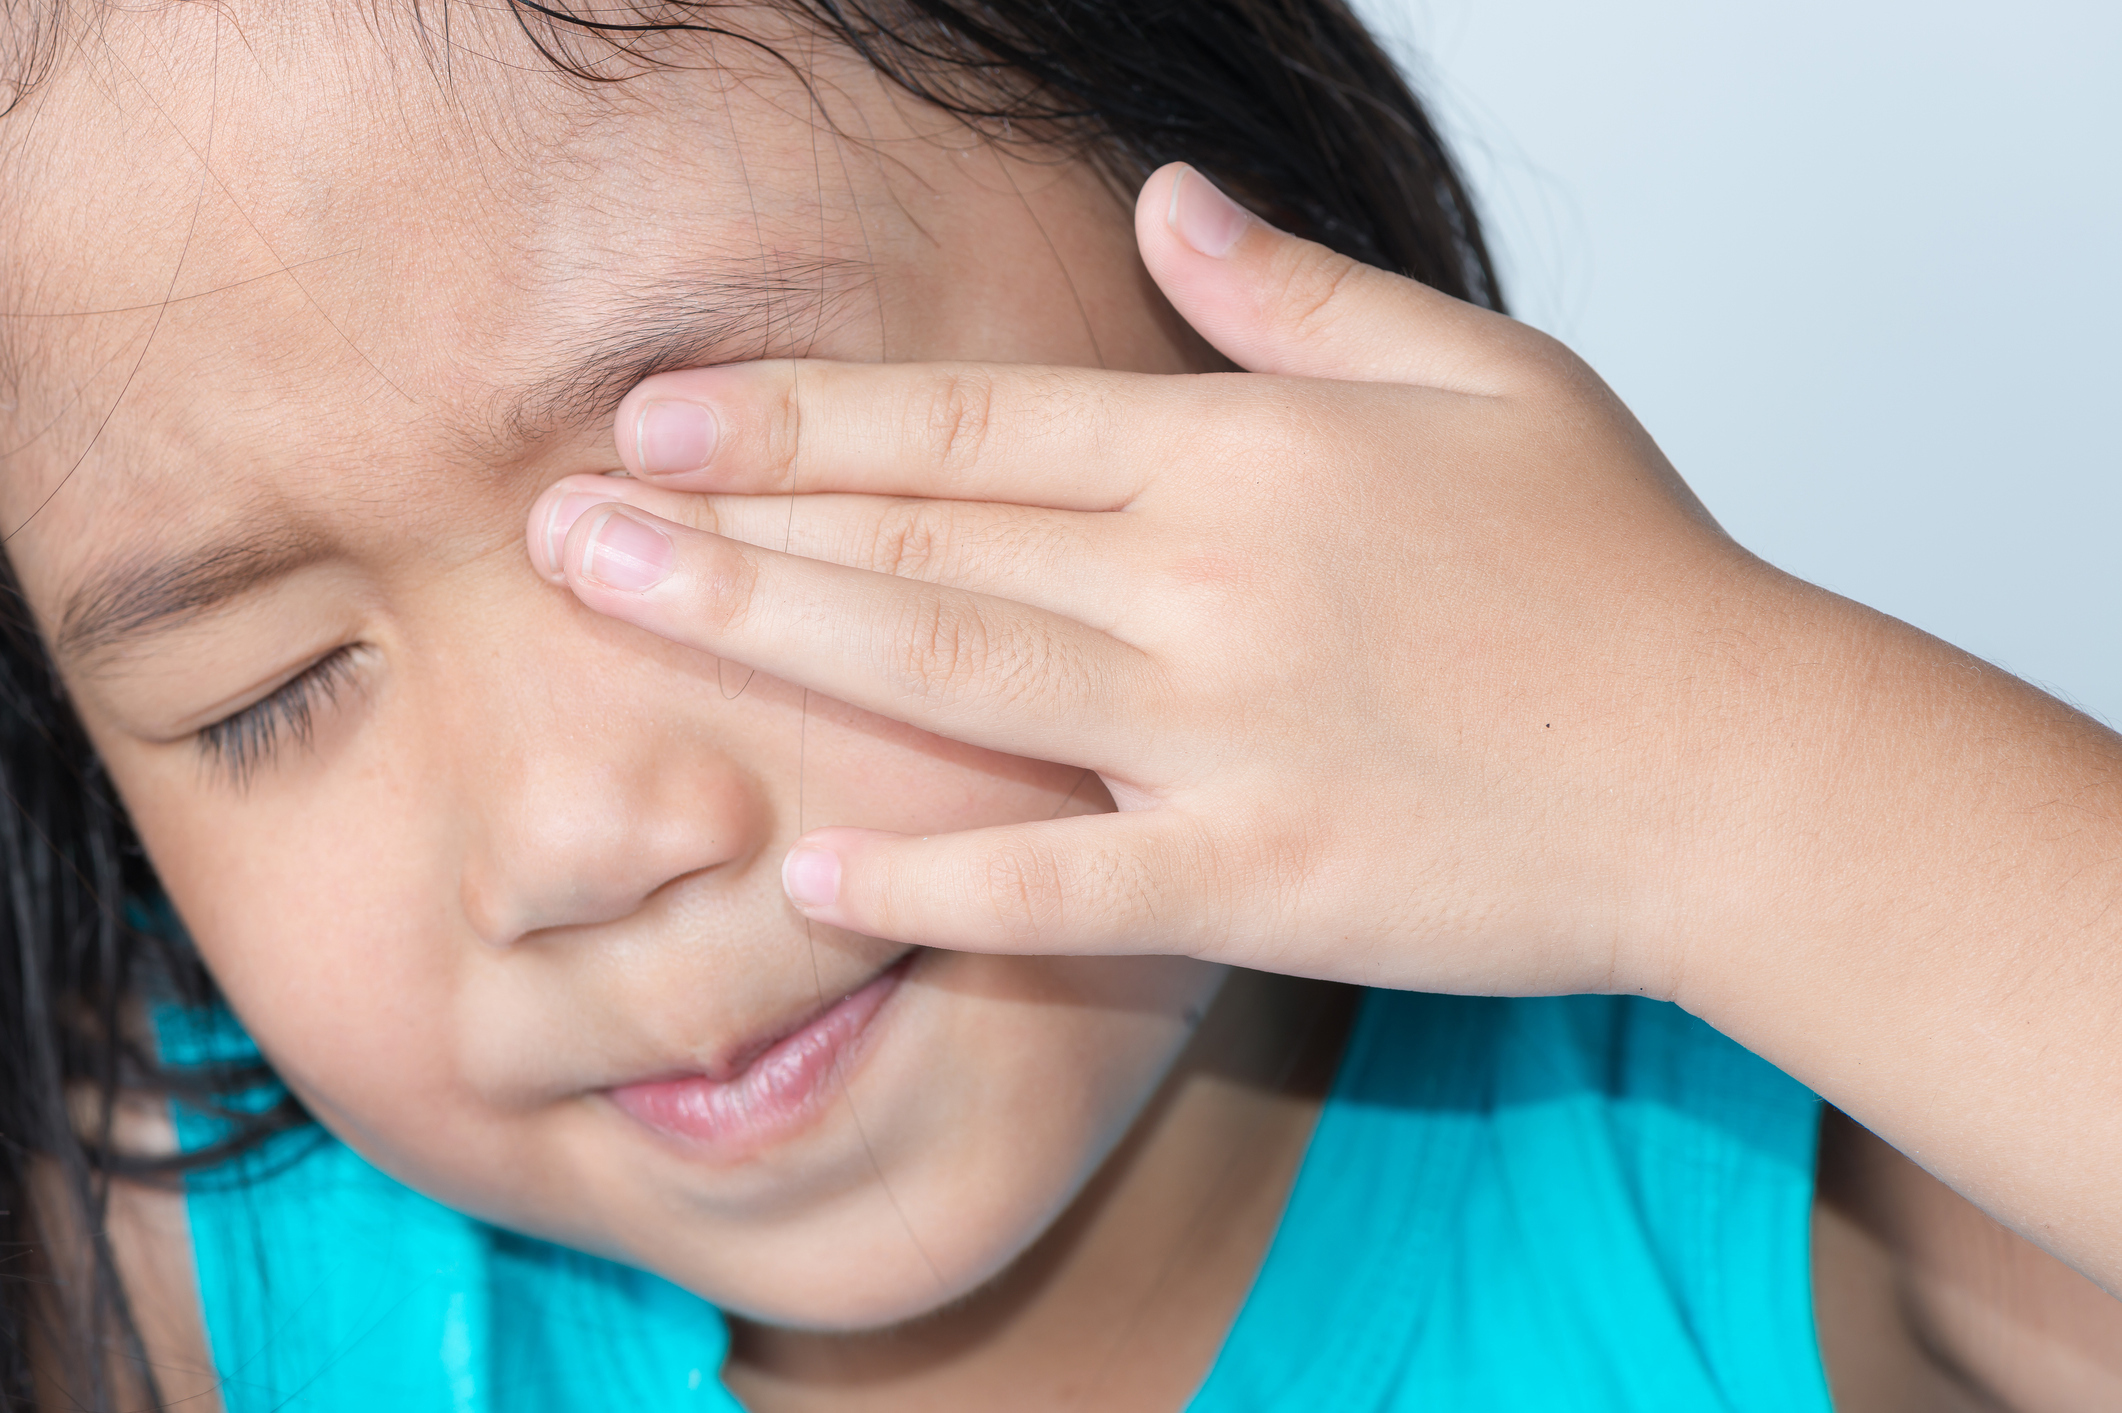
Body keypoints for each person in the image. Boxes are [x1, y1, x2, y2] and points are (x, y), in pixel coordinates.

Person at [3, 0, 2119, 1409]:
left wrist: (1721, 779)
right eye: (264, 693)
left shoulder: (1782, 1160)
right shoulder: (182, 1266)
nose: (575, 835)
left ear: (1221, 217)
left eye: (697, 484)